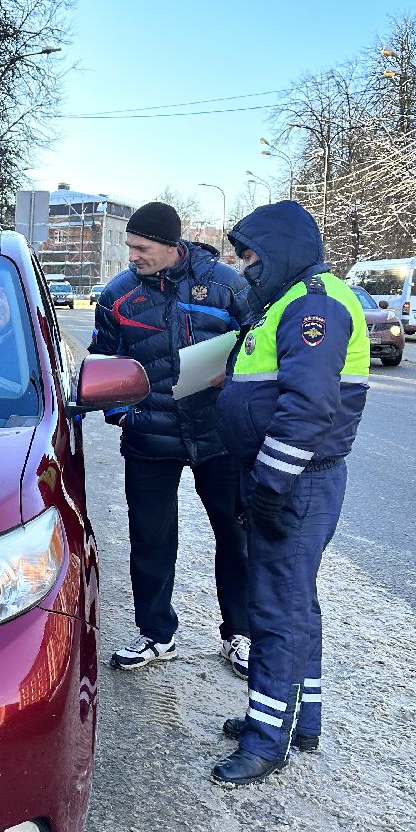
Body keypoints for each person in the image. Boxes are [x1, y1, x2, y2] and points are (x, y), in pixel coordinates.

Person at [211, 200, 369, 786]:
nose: (244, 265)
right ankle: (297, 718)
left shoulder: (313, 307)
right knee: (297, 601)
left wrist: (271, 486)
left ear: (279, 249)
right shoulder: (289, 301)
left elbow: (308, 408)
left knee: (276, 608)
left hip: (298, 480)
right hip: (291, 476)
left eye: (249, 254)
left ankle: (265, 741)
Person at [90, 201, 254, 677]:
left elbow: (258, 347)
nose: (132, 256)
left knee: (236, 535)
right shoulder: (118, 295)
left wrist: (235, 383)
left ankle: (239, 634)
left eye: (141, 247)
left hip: (219, 435)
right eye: (129, 247)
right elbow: (105, 362)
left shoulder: (226, 285)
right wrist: (122, 414)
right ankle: (156, 635)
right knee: (151, 539)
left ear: (169, 245)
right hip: (149, 438)